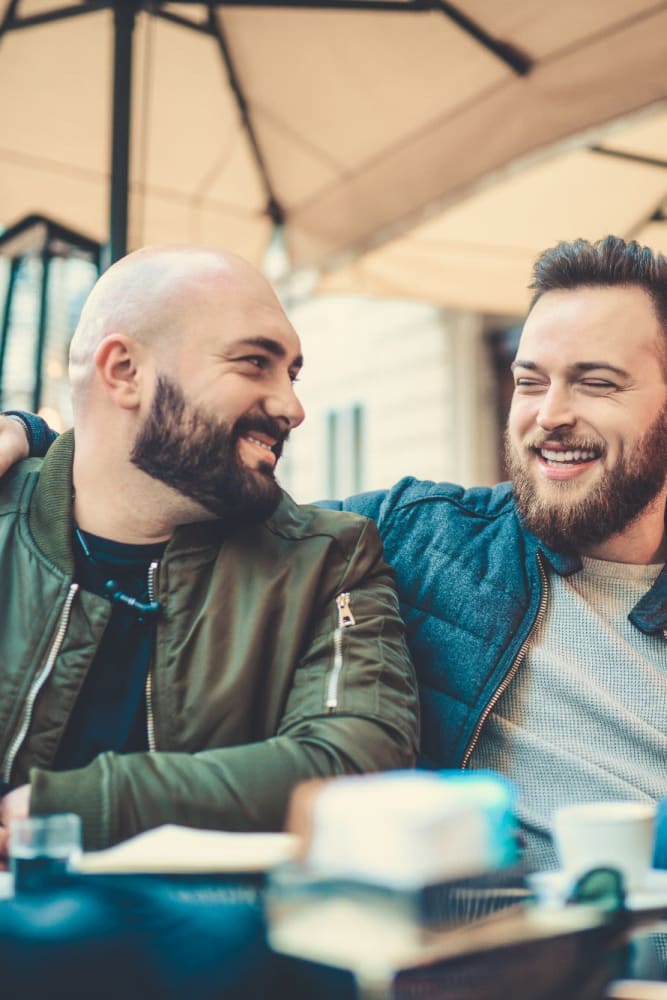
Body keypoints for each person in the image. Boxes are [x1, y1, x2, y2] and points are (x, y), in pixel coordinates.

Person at [6, 235, 667, 877]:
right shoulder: (427, 539)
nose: (548, 414)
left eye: (596, 384)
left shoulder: (344, 553)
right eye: (529, 382)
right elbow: (156, 471)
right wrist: (31, 441)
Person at [0, 245, 418, 858]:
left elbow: (356, 763)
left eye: (292, 374)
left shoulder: (326, 560)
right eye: (255, 363)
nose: (292, 407)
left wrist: (82, 808)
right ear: (123, 372)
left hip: (209, 944)